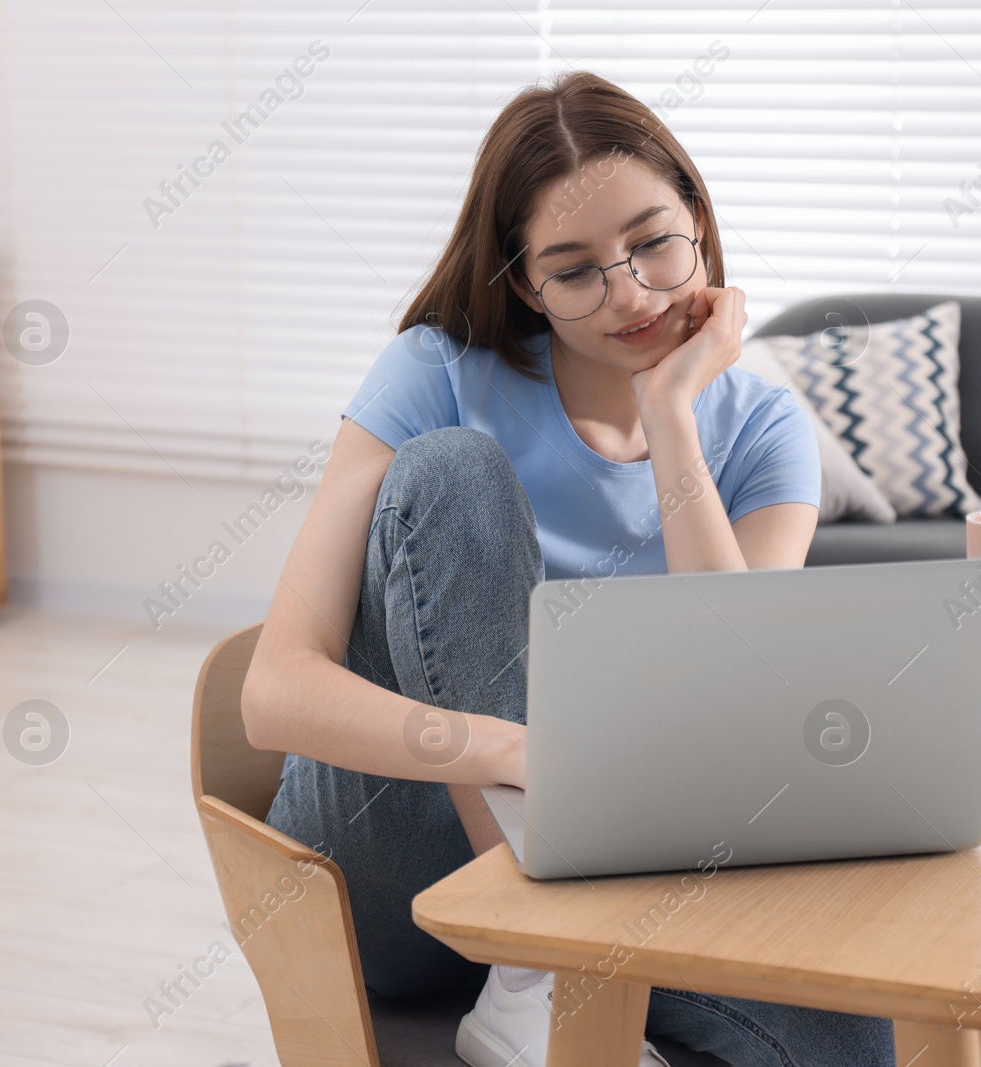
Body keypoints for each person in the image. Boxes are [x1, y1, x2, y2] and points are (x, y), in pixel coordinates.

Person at [241, 70, 896, 1067]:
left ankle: (551, 972)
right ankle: (536, 972)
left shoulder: (763, 430)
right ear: (522, 283)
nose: (629, 290)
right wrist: (510, 752)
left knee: (854, 1033)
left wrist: (671, 410)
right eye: (575, 267)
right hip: (395, 862)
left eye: (652, 240)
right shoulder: (435, 373)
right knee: (456, 473)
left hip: (614, 866)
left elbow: (740, 681)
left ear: (699, 222)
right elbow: (273, 691)